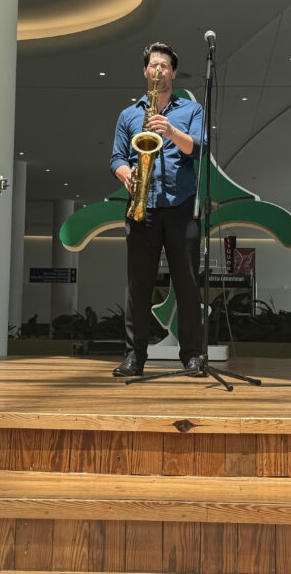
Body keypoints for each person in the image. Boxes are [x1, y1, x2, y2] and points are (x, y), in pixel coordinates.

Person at [109, 42, 206, 377]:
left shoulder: (191, 111)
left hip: (181, 207)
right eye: (154, 65)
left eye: (165, 65)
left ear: (174, 73)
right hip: (142, 208)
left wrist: (170, 130)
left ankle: (193, 355)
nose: (159, 70)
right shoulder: (129, 114)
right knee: (138, 285)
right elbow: (117, 158)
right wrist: (125, 174)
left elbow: (198, 149)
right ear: (145, 71)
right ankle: (135, 357)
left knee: (188, 284)